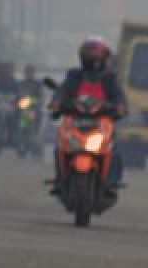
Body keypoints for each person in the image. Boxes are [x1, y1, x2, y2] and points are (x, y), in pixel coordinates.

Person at [50, 37, 129, 193]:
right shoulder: (74, 76)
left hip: (101, 121)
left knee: (113, 151)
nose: (93, 63)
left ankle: (111, 182)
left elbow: (119, 97)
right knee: (60, 147)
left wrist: (120, 108)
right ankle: (61, 179)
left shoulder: (110, 79)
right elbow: (63, 91)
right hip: (75, 119)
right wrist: (57, 102)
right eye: (90, 59)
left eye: (97, 60)